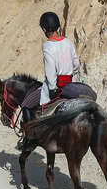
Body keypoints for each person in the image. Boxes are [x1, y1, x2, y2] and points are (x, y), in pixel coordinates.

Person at [18, 11, 80, 151]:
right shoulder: (68, 42)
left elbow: (50, 73)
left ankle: (29, 138)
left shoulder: (47, 47)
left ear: (45, 29)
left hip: (56, 87)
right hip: (70, 84)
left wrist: (52, 89)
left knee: (26, 104)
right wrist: (69, 73)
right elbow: (76, 64)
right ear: (58, 26)